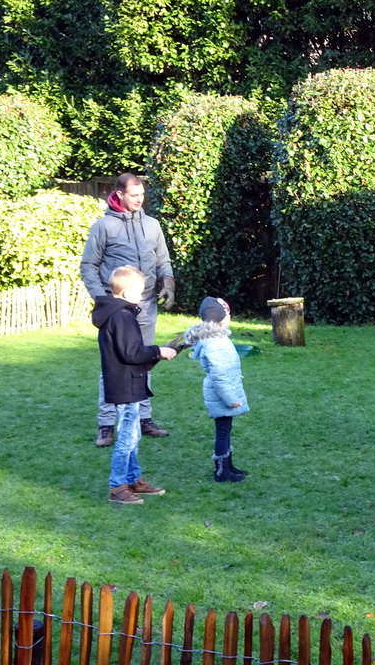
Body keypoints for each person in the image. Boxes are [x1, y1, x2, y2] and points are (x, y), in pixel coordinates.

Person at [81, 173, 176, 447]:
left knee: (145, 361)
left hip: (145, 305)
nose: (139, 199)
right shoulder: (104, 227)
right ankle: (106, 424)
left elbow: (163, 260)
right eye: (134, 195)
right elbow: (88, 265)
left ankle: (144, 419)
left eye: (142, 194)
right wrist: (103, 298)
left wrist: (168, 282)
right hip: (117, 310)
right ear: (119, 194)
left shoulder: (152, 225)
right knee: (112, 366)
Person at [92, 265, 177, 504]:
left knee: (134, 435)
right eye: (139, 293)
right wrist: (158, 351)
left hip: (129, 382)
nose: (141, 297)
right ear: (127, 293)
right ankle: (117, 487)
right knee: (127, 438)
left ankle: (133, 479)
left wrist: (156, 354)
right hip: (125, 386)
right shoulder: (121, 316)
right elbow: (132, 353)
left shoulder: (117, 314)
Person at [183, 296, 252, 483]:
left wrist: (238, 391)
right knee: (222, 431)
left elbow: (230, 371)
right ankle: (221, 471)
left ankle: (228, 465)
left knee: (225, 429)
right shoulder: (216, 343)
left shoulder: (218, 338)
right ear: (222, 318)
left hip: (225, 391)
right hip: (221, 394)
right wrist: (231, 398)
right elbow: (220, 376)